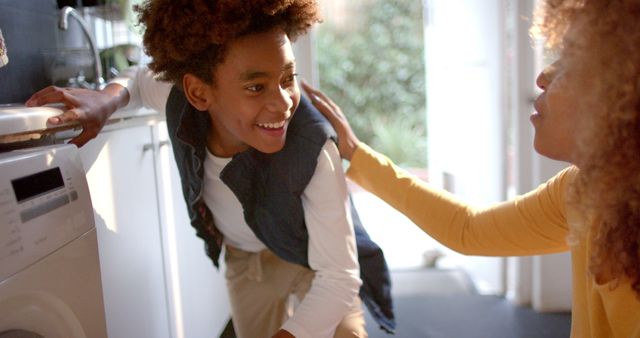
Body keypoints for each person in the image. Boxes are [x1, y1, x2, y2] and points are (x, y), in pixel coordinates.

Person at [27, 1, 396, 337]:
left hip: (318, 260)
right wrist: (107, 101)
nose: (282, 103)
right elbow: (140, 80)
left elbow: (340, 277)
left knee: (346, 332)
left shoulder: (314, 148)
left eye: (288, 79)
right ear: (199, 93)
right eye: (256, 86)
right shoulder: (180, 99)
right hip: (248, 261)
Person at [301, 0, 640, 337]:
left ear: (622, 90)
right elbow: (469, 228)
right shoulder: (580, 190)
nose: (543, 76)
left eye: (570, 61)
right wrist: (357, 154)